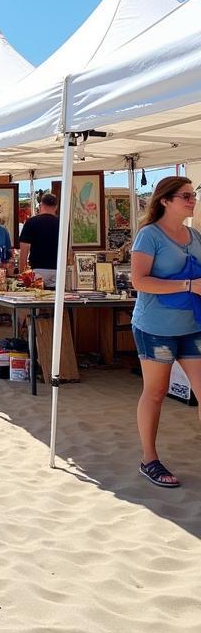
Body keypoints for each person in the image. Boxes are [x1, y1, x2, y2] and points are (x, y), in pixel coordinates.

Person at [130, 176, 201, 488]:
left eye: (193, 195)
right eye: (185, 195)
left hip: (192, 327)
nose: (192, 200)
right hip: (156, 329)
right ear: (165, 200)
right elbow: (139, 281)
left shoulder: (195, 235)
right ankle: (149, 459)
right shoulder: (149, 236)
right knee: (156, 392)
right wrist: (187, 285)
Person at [17, 192, 60, 286]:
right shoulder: (61, 223)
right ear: (56, 207)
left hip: (38, 270)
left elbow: (24, 249)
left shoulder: (31, 222)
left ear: (41, 205)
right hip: (59, 270)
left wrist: (21, 273)